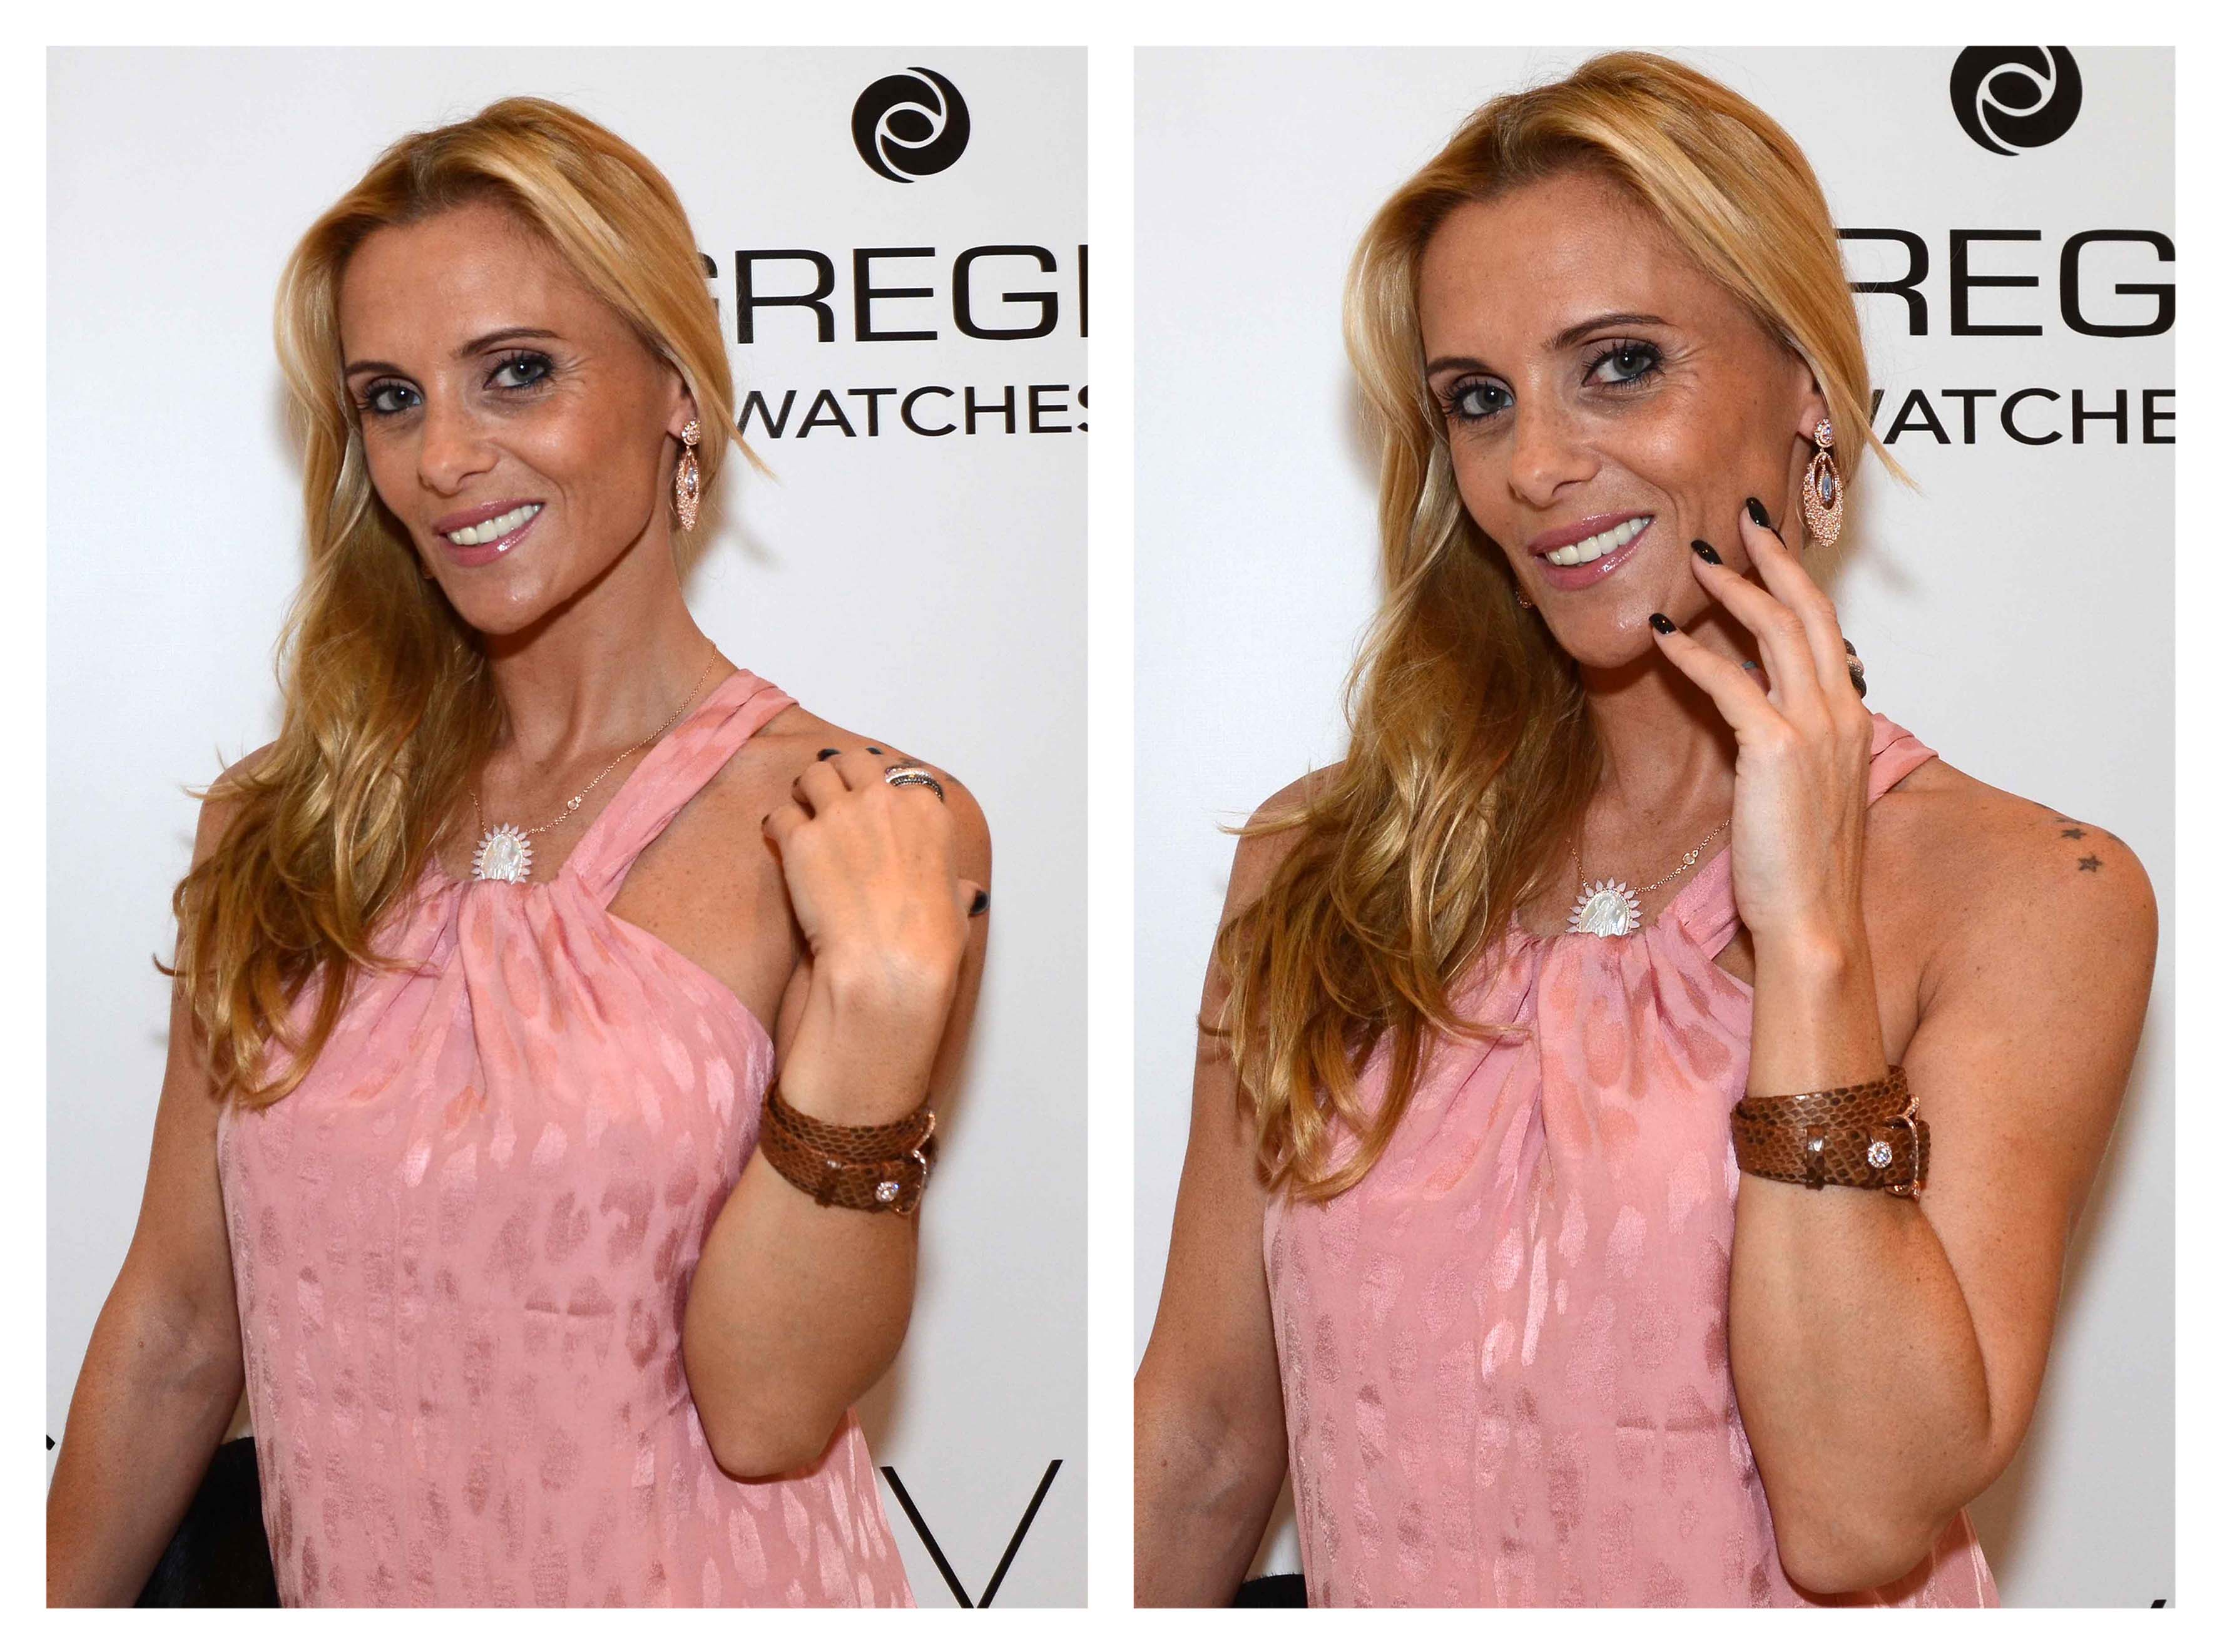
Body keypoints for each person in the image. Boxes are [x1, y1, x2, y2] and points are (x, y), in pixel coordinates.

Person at [1135, 51, 2156, 1608]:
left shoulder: (2026, 893)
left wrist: (1805, 939)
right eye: (1477, 400)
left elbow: (1858, 1515)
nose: (1535, 465)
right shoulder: (1329, 862)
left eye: (1616, 365)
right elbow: (1206, 1440)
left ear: (1806, 389)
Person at [47, 96, 991, 1608]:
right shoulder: (286, 829)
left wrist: (879, 1018)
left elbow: (765, 1416)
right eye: (391, 399)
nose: (444, 457)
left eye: (517, 373)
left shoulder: (851, 823)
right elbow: (176, 1326)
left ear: (677, 388)